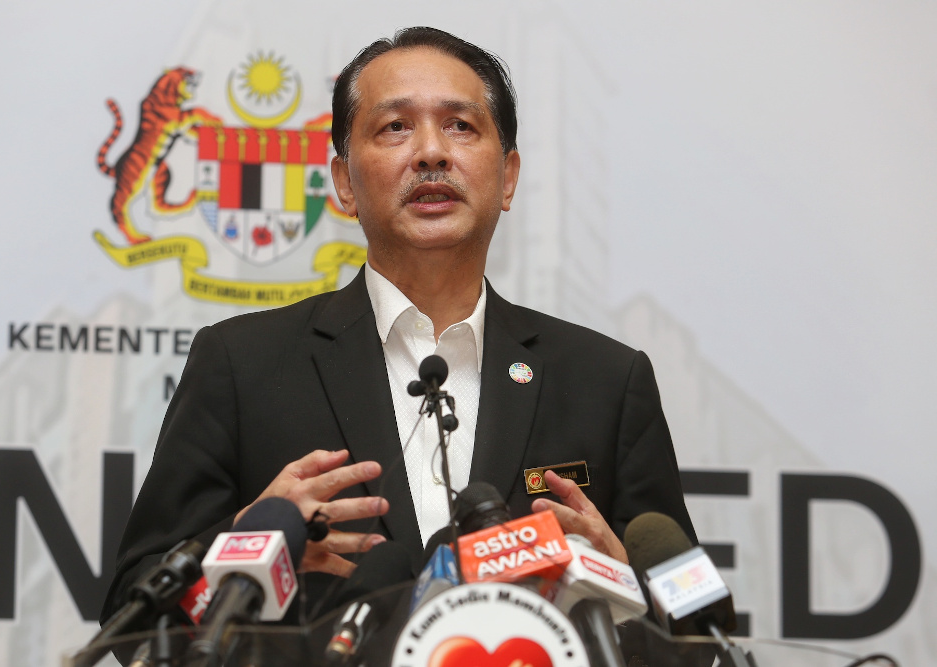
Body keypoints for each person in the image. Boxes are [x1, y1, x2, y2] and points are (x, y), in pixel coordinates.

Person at [101, 26, 695, 625]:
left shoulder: (607, 381)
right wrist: (243, 541)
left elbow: (696, 632)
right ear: (343, 183)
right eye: (394, 127)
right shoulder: (241, 364)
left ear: (509, 177)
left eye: (460, 125)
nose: (431, 152)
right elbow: (133, 609)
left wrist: (630, 591)